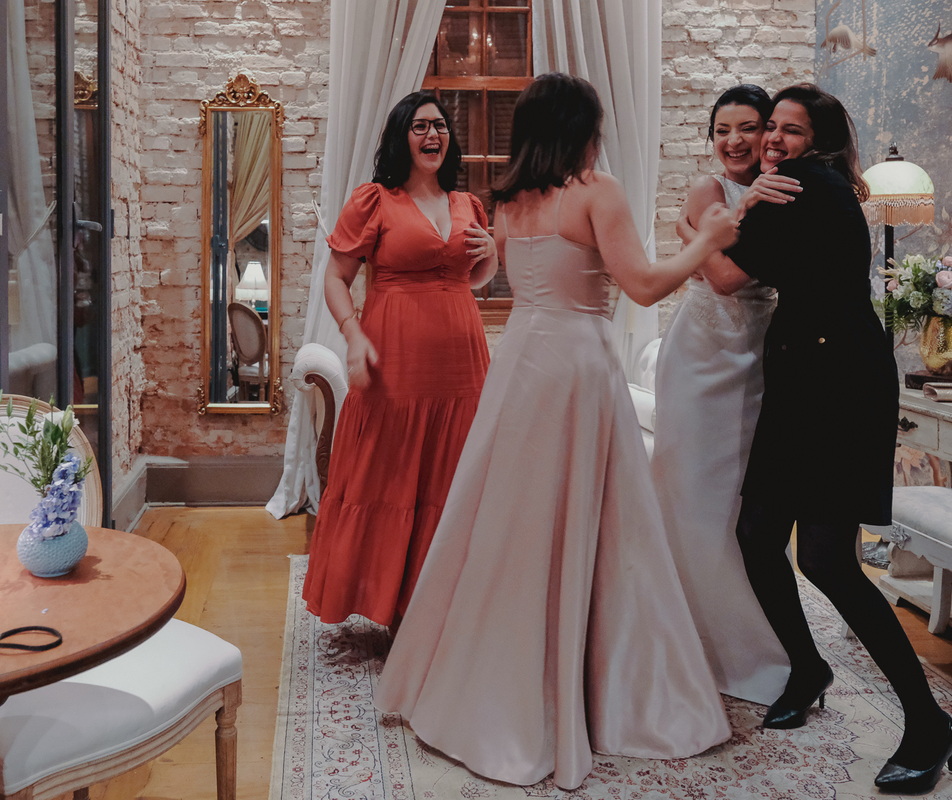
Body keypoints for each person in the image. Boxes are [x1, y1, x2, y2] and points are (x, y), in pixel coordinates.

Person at [375, 73, 737, 790]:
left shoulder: (509, 201)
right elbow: (643, 286)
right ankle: (601, 681)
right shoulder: (596, 191)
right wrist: (709, 240)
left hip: (520, 363)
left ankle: (490, 676)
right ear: (583, 129)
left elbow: (489, 278)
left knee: (510, 520)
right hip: (576, 365)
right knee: (597, 521)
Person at [722, 83, 952, 794]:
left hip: (839, 387)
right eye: (772, 126)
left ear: (817, 142)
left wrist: (724, 210)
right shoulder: (805, 183)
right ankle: (808, 666)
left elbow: (728, 270)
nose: (773, 139)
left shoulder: (802, 183)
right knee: (758, 535)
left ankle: (928, 723)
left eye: (790, 131)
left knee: (826, 559)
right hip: (807, 378)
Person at [302, 93, 499, 630]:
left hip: (462, 365)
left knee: (451, 478)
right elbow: (336, 277)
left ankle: (437, 607)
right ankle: (387, 603)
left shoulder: (467, 204)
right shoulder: (374, 201)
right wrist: (353, 334)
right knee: (384, 476)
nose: (433, 134)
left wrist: (492, 257)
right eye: (420, 126)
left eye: (440, 125)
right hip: (394, 361)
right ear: (400, 136)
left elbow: (472, 279)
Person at [651, 85, 796, 705]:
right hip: (700, 358)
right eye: (722, 130)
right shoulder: (709, 190)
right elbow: (718, 278)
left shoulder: (786, 192)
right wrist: (700, 224)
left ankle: (753, 640)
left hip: (758, 353)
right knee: (692, 494)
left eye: (748, 127)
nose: (734, 141)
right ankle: (689, 640)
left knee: (739, 504)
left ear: (770, 132)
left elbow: (735, 271)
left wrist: (691, 232)